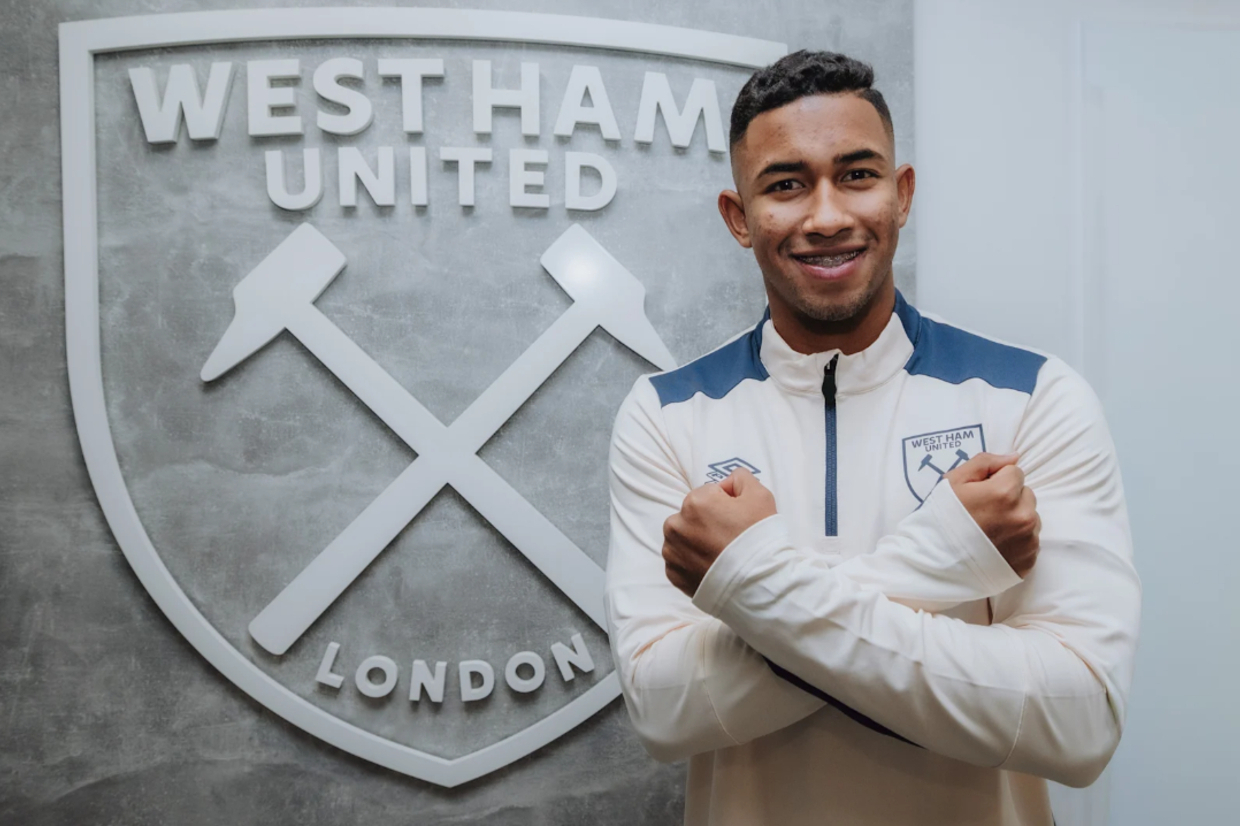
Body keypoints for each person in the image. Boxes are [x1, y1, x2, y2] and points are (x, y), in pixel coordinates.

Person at [604, 50, 1141, 826]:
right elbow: (664, 710)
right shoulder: (666, 414)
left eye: (857, 175)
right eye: (785, 185)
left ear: (902, 193)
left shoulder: (1033, 397)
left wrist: (748, 584)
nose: (827, 216)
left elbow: (1080, 721)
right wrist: (942, 558)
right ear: (738, 217)